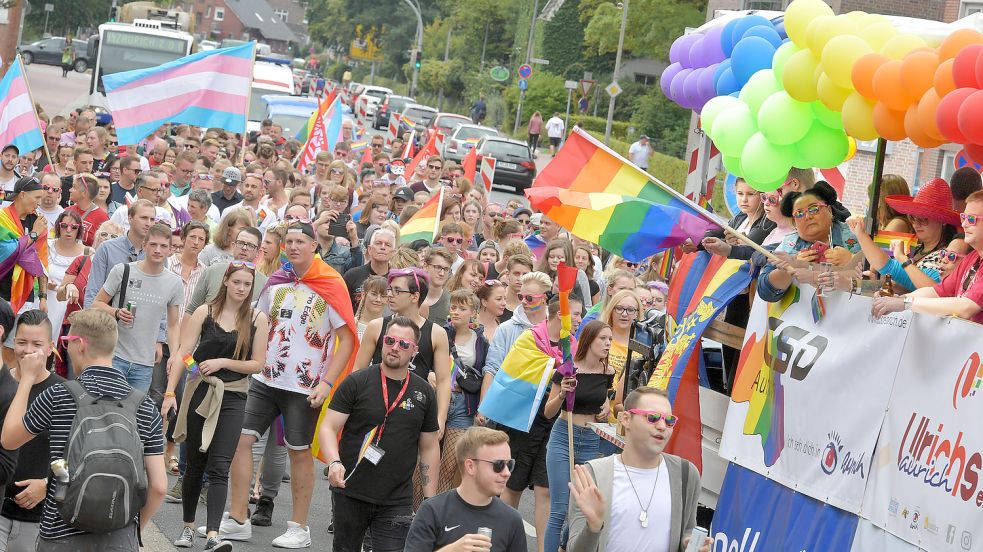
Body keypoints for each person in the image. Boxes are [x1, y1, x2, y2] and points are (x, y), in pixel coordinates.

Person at [222, 220, 357, 548]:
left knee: (298, 453)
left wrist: (326, 383)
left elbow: (347, 339)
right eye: (289, 242)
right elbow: (258, 325)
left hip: (304, 386)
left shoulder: (331, 283)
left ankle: (299, 526)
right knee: (241, 441)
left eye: (300, 241)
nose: (294, 247)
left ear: (313, 245)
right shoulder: (276, 282)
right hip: (265, 379)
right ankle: (238, 517)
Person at [0, 308, 167, 551]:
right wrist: (133, 529)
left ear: (80, 344)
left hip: (60, 532)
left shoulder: (59, 395)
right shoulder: (144, 405)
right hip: (120, 536)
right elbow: (160, 486)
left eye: (67, 341)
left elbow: (9, 439)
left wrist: (25, 379)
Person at [164, 261, 269, 552]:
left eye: (247, 284)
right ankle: (187, 527)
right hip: (201, 392)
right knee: (195, 463)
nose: (241, 288)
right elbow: (184, 354)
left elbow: (258, 363)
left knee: (220, 465)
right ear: (226, 281)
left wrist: (224, 363)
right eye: (237, 282)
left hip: (234, 396)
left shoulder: (257, 318)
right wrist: (173, 390)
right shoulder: (205, 312)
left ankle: (212, 534)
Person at [318, 316, 441, 552]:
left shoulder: (424, 392)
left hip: (396, 498)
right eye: (390, 340)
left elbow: (429, 446)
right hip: (351, 489)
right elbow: (328, 427)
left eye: (404, 344)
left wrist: (429, 498)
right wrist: (333, 462)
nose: (395, 347)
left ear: (414, 351)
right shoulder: (357, 381)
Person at [567, 387, 711, 552]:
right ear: (626, 419)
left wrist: (690, 544)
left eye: (669, 420)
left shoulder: (685, 473)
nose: (662, 426)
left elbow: (687, 529)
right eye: (653, 418)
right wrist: (593, 527)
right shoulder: (593, 475)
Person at [543, 320, 616, 552]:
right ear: (588, 340)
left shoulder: (608, 371)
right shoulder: (567, 369)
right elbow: (548, 412)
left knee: (582, 510)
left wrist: (606, 408)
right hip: (565, 437)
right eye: (602, 339)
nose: (607, 344)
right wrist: (562, 394)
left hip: (593, 439)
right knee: (560, 509)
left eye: (610, 339)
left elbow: (605, 401)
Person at [0, 311, 64, 552]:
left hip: (38, 518)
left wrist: (48, 483)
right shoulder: (3, 383)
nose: (28, 351)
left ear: (50, 348)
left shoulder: (63, 393)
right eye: (21, 342)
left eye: (37, 344)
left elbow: (74, 454)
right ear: (12, 342)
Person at [404, 427, 527, 552]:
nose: (507, 473)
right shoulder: (432, 510)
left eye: (510, 465)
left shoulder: (512, 520)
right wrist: (452, 550)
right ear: (470, 466)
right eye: (498, 465)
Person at [91, 223, 182, 392]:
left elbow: (173, 324)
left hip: (145, 364)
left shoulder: (174, 282)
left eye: (163, 246)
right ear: (144, 245)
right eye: (153, 244)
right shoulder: (122, 271)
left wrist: (174, 355)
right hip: (114, 356)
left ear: (170, 250)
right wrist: (116, 312)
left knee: (133, 415)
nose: (157, 250)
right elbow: (96, 304)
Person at [871, 190, 983, 324]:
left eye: (972, 219)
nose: (964, 224)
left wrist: (905, 302)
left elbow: (966, 307)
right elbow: (938, 291)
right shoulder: (972, 257)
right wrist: (900, 300)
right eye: (964, 218)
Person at [845, 178, 960, 293]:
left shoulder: (946, 257)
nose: (916, 223)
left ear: (943, 220)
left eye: (923, 218)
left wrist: (861, 234)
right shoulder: (915, 247)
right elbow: (902, 286)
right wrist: (875, 283)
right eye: (912, 217)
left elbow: (891, 268)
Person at [757, 182, 862, 303]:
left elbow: (880, 278)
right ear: (794, 222)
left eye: (813, 209)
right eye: (799, 213)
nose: (807, 216)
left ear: (829, 210)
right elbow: (764, 291)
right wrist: (792, 266)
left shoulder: (854, 235)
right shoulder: (789, 244)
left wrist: (852, 259)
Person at [438, 290, 489, 494]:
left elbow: (486, 374)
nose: (456, 312)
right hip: (438, 399)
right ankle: (420, 510)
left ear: (474, 313)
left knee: (450, 464)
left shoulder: (480, 342)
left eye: (462, 308)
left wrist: (482, 408)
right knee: (424, 461)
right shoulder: (439, 333)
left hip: (463, 403)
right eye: (453, 307)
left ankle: (441, 510)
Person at [0, 176, 49, 313]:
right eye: (37, 197)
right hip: (2, 293)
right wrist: (33, 234)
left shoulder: (38, 222)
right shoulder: (2, 219)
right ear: (22, 195)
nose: (39, 203)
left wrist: (43, 297)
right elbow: (8, 252)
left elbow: (41, 262)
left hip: (26, 295)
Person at [44, 211, 85, 339]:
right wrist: (44, 282)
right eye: (64, 226)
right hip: (44, 298)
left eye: (73, 227)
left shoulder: (87, 253)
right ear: (58, 227)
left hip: (70, 305)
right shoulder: (47, 246)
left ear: (79, 229)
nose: (68, 230)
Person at [343, 227, 395, 310]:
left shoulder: (397, 279)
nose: (383, 247)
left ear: (393, 253)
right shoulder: (352, 275)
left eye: (388, 245)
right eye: (378, 243)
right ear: (369, 249)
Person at [64, 173, 109, 247]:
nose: (70, 190)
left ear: (84, 193)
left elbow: (104, 245)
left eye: (74, 187)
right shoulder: (66, 211)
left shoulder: (102, 218)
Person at [422, 247, 454, 324]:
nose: (442, 273)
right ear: (425, 266)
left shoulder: (452, 302)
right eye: (438, 267)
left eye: (446, 269)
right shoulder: (411, 297)